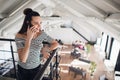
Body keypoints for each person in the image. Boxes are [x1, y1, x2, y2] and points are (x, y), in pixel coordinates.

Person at [15, 8, 58, 80]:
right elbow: (23, 59)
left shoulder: (41, 34)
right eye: (36, 23)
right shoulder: (19, 36)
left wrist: (46, 50)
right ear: (28, 22)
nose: (40, 26)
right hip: (23, 69)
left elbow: (55, 43)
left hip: (36, 67)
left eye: (40, 23)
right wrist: (29, 38)